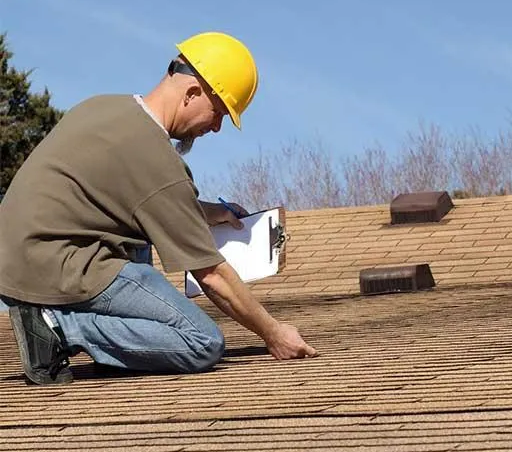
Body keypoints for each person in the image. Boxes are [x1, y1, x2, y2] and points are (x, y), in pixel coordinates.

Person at [0, 31, 317, 386]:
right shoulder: (157, 160)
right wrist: (273, 332)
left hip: (19, 258)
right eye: (220, 113)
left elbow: (138, 198)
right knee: (202, 342)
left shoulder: (105, 108)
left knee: (139, 237)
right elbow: (211, 274)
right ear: (193, 93)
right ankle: (57, 327)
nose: (215, 127)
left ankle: (114, 351)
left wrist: (208, 211)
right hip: (56, 266)